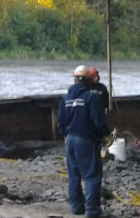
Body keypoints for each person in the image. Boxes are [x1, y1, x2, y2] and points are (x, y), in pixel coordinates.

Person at [57, 65, 110, 217]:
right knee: (92, 175)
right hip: (86, 140)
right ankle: (92, 211)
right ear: (88, 80)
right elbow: (99, 121)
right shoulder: (90, 97)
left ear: (74, 79)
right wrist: (105, 135)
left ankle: (76, 207)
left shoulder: (65, 99)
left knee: (74, 176)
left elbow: (60, 124)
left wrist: (67, 135)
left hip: (70, 140)